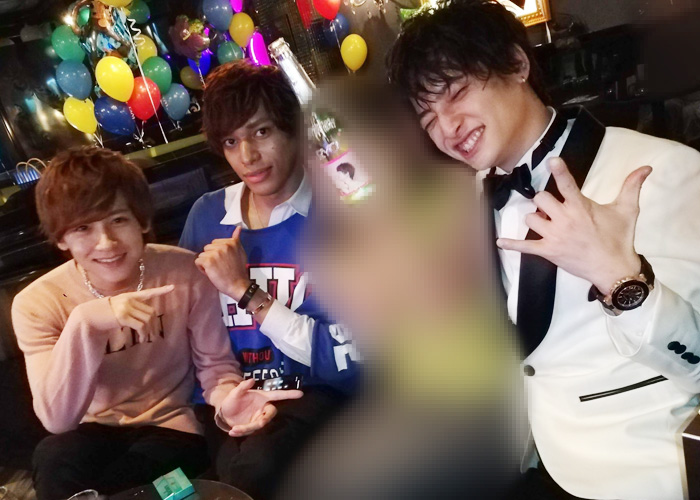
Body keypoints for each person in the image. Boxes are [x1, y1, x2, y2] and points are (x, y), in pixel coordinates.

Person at [387, 1, 700, 499]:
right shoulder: (463, 203)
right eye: (428, 117)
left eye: (457, 92)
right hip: (527, 463)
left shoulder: (660, 171)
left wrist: (621, 280)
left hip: (642, 471)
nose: (447, 127)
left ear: (517, 64)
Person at [11, 147, 302, 500]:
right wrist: (85, 323)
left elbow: (215, 368)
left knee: (129, 480)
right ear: (61, 238)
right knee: (53, 458)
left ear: (142, 221)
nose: (106, 243)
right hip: (92, 430)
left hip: (175, 429)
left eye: (119, 220)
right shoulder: (36, 303)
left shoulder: (184, 272)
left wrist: (228, 404)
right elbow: (58, 420)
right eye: (83, 228)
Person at [178, 60, 359, 499]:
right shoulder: (207, 215)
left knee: (253, 470)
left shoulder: (342, 209)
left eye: (261, 132)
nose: (247, 157)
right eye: (231, 141)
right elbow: (189, 329)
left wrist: (244, 290)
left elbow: (346, 355)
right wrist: (223, 400)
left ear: (293, 127)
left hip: (317, 391)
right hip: (232, 396)